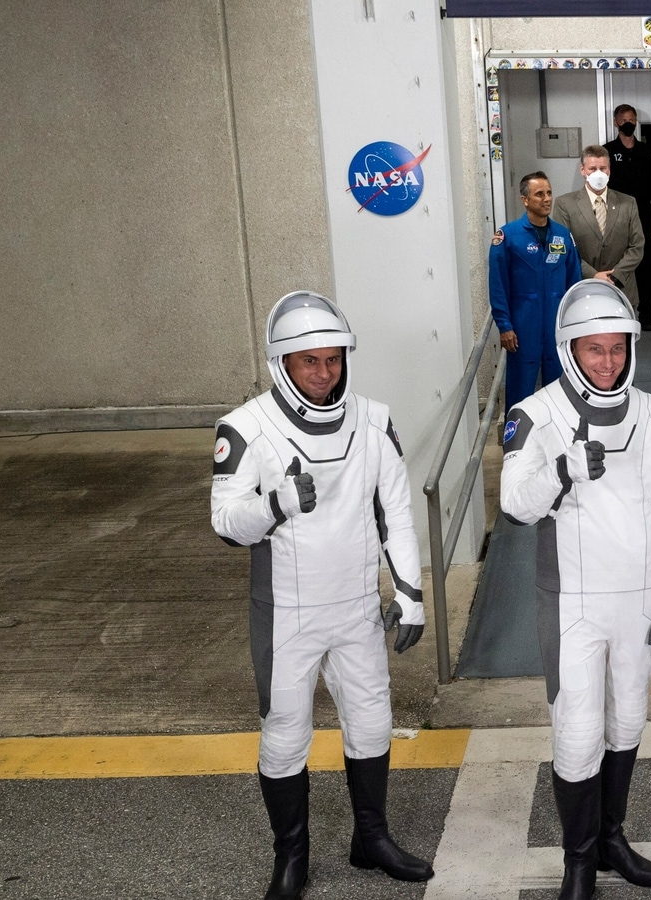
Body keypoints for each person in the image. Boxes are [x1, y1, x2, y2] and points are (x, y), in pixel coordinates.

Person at [211, 291, 434, 900]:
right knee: (285, 732)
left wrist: (410, 593)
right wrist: (275, 504)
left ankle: (372, 838)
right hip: (287, 615)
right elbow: (225, 521)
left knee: (372, 723)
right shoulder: (246, 426)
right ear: (282, 362)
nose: (324, 372)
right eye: (309, 361)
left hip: (358, 607)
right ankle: (292, 856)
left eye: (333, 359)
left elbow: (397, 511)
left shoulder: (373, 417)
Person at [499, 280, 651, 900]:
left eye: (617, 349)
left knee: (628, 723)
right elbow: (512, 506)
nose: (607, 362)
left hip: (638, 603)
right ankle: (579, 860)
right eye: (594, 350)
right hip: (572, 606)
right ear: (568, 350)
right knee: (577, 735)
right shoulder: (533, 416)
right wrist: (561, 471)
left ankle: (611, 838)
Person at [490, 171, 582, 409]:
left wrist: (574, 324)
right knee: (521, 391)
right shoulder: (508, 236)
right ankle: (517, 442)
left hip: (556, 324)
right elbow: (498, 284)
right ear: (525, 200)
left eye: (549, 193)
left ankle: (561, 440)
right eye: (539, 194)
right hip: (523, 326)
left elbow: (574, 281)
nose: (547, 199)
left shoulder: (562, 235)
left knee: (561, 388)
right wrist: (505, 326)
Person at [553, 146, 645, 313]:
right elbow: (564, 249)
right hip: (582, 290)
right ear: (582, 170)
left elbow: (637, 245)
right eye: (592, 169)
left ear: (609, 170)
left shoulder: (628, 203)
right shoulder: (564, 204)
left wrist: (615, 275)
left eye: (603, 168)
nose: (598, 173)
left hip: (622, 289)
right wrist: (593, 275)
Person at [606, 104, 651, 331]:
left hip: (644, 218)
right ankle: (617, 312)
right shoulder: (607, 152)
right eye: (623, 119)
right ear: (615, 122)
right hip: (615, 219)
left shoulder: (646, 152)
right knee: (617, 266)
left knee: (646, 268)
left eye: (631, 119)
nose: (627, 123)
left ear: (636, 121)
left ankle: (646, 316)